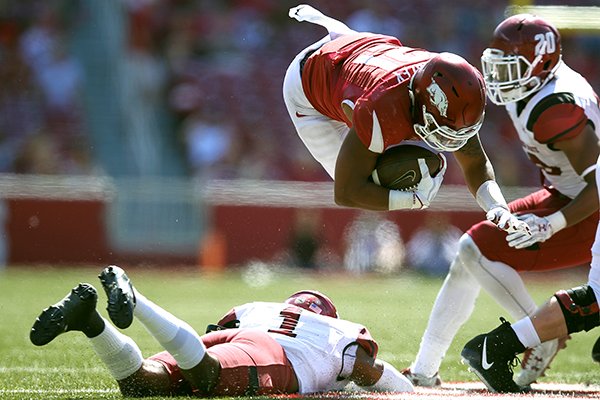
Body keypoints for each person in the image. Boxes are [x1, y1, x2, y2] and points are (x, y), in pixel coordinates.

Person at [403, 13, 600, 388]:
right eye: (497, 66)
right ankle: (424, 370)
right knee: (468, 254)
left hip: (588, 209)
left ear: (540, 63)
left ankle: (539, 333)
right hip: (567, 196)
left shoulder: (557, 108)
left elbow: (599, 185)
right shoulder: (537, 86)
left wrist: (551, 223)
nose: (499, 78)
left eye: (510, 67)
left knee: (474, 249)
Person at [282, 5, 529, 238]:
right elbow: (347, 192)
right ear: (421, 103)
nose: (449, 141)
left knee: (401, 160)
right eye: (444, 130)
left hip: (359, 48)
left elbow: (475, 161)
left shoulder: (451, 87)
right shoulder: (382, 109)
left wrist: (497, 208)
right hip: (309, 83)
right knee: (371, 178)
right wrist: (412, 201)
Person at [30, 265, 414, 397]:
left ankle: (88, 321)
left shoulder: (259, 306)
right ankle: (137, 298)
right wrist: (409, 387)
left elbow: (218, 329)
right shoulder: (334, 328)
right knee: (211, 377)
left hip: (232, 336)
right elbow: (371, 372)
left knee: (143, 384)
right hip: (273, 354)